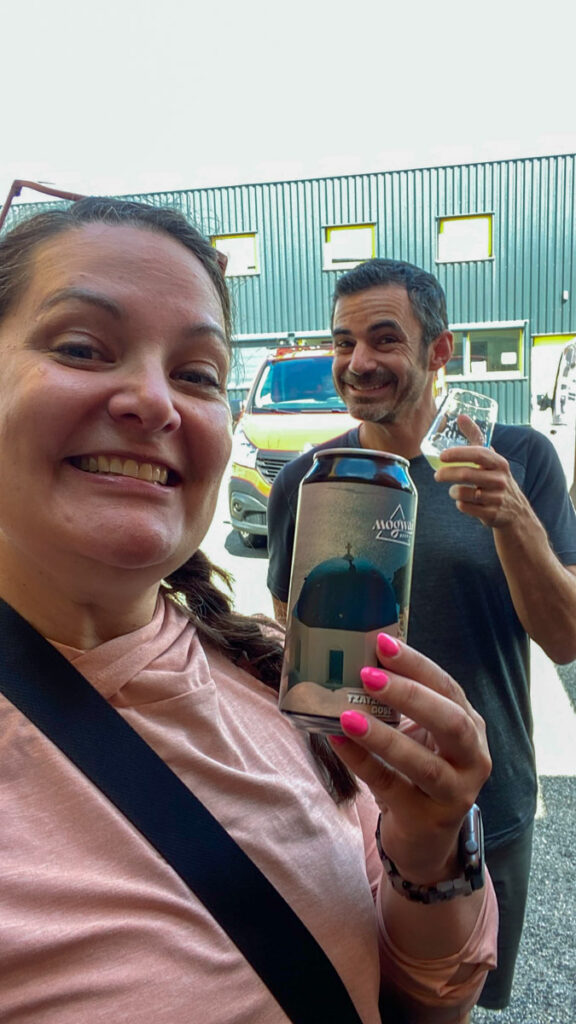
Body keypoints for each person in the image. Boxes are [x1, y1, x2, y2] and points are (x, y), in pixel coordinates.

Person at [0, 200, 497, 1023]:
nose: (154, 403)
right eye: (83, 348)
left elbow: (429, 1004)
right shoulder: (304, 482)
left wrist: (428, 848)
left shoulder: (266, 670)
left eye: (197, 373)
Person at [267, 257, 576, 1016]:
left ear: (439, 351)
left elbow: (565, 638)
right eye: (343, 343)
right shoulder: (310, 477)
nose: (358, 363)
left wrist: (513, 518)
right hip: (339, 808)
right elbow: (287, 641)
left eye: (383, 339)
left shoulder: (516, 459)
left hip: (482, 799)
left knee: (442, 1003)